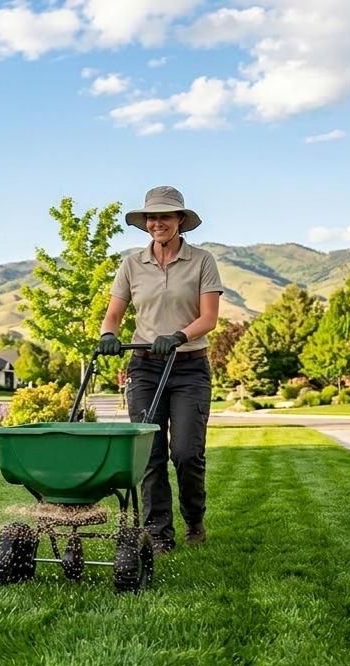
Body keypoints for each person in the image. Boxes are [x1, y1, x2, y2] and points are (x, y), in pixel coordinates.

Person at [97, 186, 224, 554]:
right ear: (145, 222)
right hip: (145, 368)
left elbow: (210, 318)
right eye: (152, 217)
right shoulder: (132, 264)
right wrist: (108, 334)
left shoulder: (202, 261)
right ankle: (158, 534)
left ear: (180, 220)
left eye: (165, 217)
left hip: (189, 368)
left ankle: (194, 518)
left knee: (186, 452)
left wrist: (179, 335)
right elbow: (115, 313)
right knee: (149, 454)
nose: (157, 223)